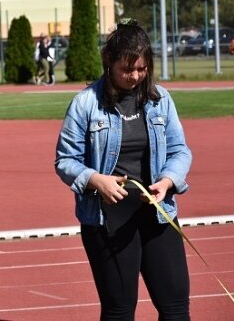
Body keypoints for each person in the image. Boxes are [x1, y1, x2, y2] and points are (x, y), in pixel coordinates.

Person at [54, 18, 193, 320]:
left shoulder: (161, 99)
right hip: (107, 221)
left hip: (158, 213)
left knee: (176, 309)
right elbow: (65, 160)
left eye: (142, 69)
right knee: (119, 311)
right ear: (109, 62)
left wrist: (168, 181)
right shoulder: (85, 103)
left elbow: (179, 150)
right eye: (127, 69)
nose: (134, 76)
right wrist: (95, 180)